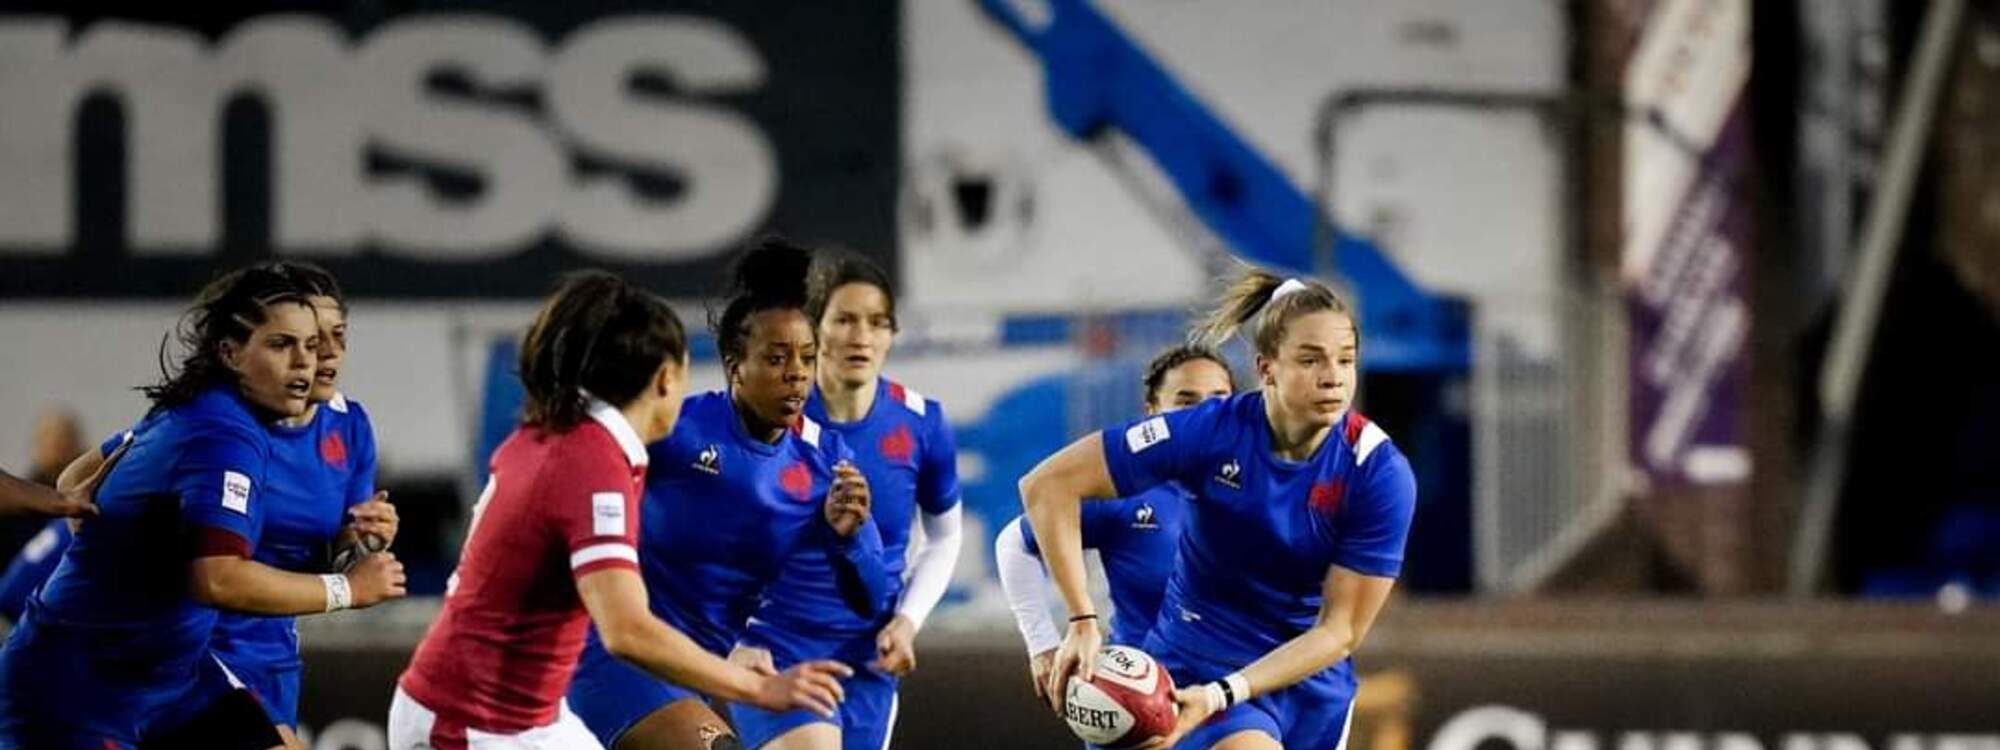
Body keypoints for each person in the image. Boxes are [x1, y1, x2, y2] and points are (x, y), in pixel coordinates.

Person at [393, 270, 849, 749]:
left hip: (529, 712)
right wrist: (754, 686)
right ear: (665, 377)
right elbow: (626, 631)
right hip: (476, 720)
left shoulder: (565, 436)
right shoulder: (595, 461)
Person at [0, 266, 406, 749]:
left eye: (317, 343)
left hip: (177, 675)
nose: (309, 361)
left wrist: (354, 549)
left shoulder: (258, 421)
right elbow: (216, 578)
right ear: (231, 354)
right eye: (283, 344)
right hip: (84, 686)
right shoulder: (219, 433)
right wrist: (346, 589)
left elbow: (87, 493)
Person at [1019, 271, 1418, 750]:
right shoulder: (1211, 430)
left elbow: (1340, 631)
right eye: (1310, 360)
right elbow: (1047, 485)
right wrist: (1081, 621)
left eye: (1346, 360)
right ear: (1266, 369)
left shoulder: (1378, 471)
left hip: (1310, 684)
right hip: (1197, 665)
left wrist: (1227, 693)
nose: (1333, 376)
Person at [567, 239, 890, 750]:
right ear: (735, 363)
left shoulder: (826, 460)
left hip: (698, 673)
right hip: (617, 658)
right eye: (777, 358)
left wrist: (848, 539)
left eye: (807, 358)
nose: (797, 374)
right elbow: (578, 480)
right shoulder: (679, 429)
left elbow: (873, 599)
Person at [728, 251, 965, 750]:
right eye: (845, 320)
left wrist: (908, 620)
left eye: (878, 322)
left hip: (869, 656)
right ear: (814, 329)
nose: (862, 336)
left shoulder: (924, 423)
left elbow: (944, 537)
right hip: (779, 648)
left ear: (892, 335)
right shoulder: (766, 417)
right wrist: (734, 639)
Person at [996, 345, 1234, 704]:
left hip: (1234, 698)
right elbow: (1015, 542)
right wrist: (1042, 642)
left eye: (1218, 399)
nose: (1202, 415)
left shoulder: (1264, 487)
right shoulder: (1121, 492)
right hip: (1138, 700)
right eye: (1186, 401)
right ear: (1152, 412)